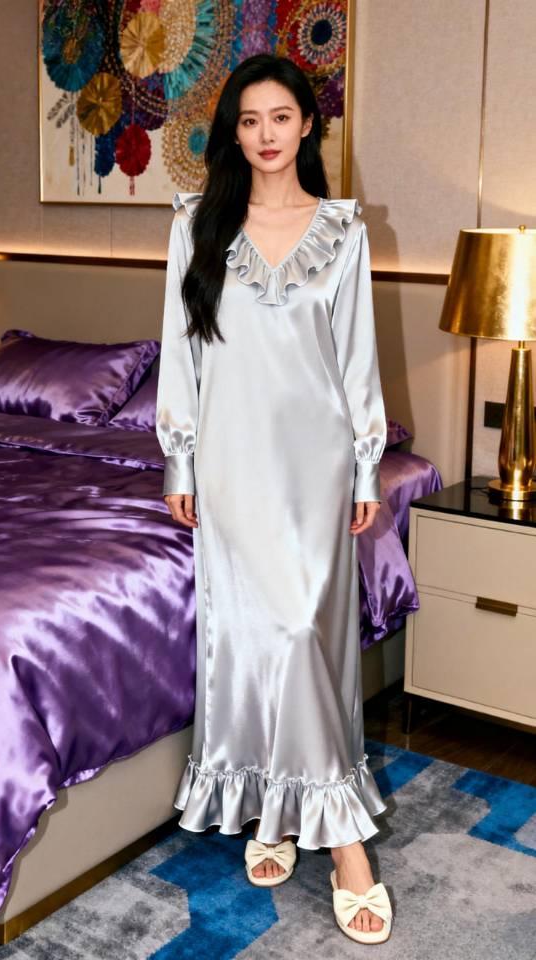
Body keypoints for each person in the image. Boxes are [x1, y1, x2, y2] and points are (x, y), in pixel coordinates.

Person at [156, 53, 392, 945]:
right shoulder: (196, 225)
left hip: (316, 462)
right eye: (249, 120)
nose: (265, 135)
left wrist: (366, 467)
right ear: (233, 131)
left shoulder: (343, 231)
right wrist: (179, 464)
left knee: (304, 636)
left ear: (307, 126)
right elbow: (182, 353)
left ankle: (319, 825)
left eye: (280, 117)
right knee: (260, 640)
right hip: (230, 462)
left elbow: (356, 359)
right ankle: (305, 823)